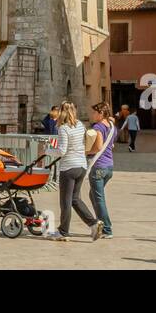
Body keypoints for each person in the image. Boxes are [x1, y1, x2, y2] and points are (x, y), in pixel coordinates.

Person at [47, 102, 102, 242]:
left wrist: (46, 150)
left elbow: (62, 151)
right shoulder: (80, 125)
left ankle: (63, 231)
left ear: (62, 113)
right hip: (81, 166)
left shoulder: (63, 128)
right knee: (75, 199)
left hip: (69, 168)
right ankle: (93, 224)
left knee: (65, 201)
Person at [87, 102, 116, 240]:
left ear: (101, 114)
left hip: (98, 166)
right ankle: (101, 223)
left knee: (99, 199)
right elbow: (112, 144)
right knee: (93, 195)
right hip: (109, 166)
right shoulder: (111, 126)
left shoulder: (98, 127)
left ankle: (106, 228)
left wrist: (86, 151)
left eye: (94, 113)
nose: (92, 115)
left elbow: (98, 147)